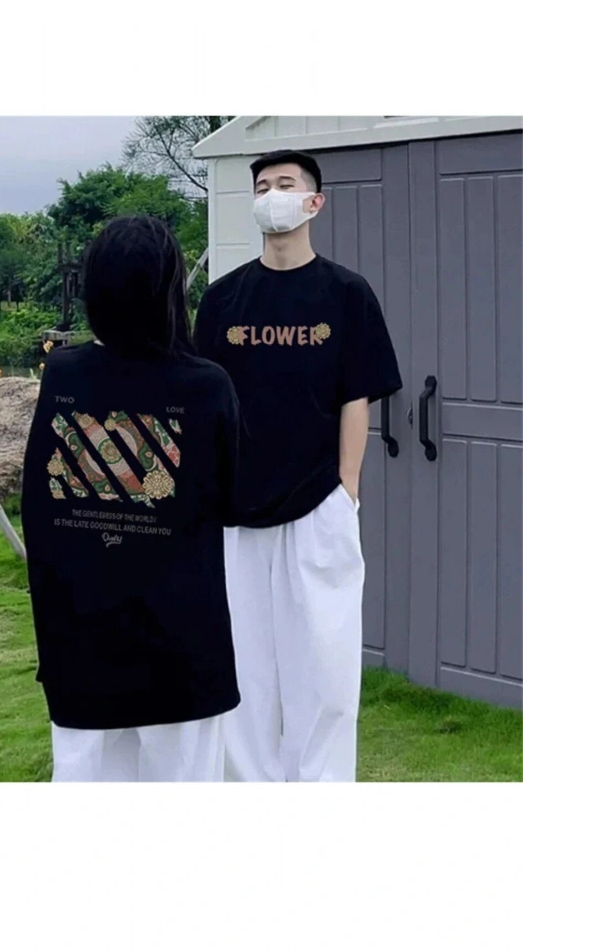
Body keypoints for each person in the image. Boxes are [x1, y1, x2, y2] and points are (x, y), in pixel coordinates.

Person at [193, 149, 402, 782]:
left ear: (314, 202)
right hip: (236, 513)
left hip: (318, 505)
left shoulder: (346, 295)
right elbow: (203, 403)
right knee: (245, 670)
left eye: (285, 184)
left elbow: (357, 397)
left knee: (325, 668)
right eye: (262, 186)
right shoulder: (222, 300)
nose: (272, 196)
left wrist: (347, 489)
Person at [21, 215, 240, 782]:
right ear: (170, 291)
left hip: (79, 637)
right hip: (180, 645)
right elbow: (232, 498)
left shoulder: (62, 375)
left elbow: (38, 504)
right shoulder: (205, 386)